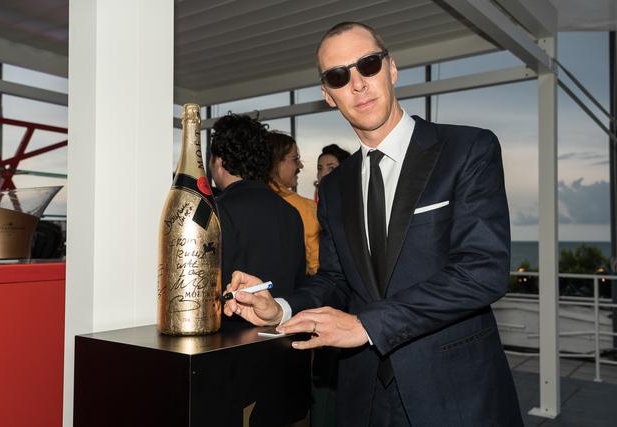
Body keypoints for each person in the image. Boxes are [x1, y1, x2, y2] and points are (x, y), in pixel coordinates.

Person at [225, 21, 523, 427]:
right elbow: (336, 279)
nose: (358, 83)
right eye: (338, 76)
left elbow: (483, 271)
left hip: (455, 391)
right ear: (328, 95)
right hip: (364, 394)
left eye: (368, 64)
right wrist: (279, 308)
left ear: (391, 68)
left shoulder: (467, 149)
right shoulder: (334, 188)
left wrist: (367, 325)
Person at [209, 113, 305, 298]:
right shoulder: (291, 213)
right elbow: (299, 285)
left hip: (231, 315)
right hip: (280, 314)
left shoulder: (216, 212)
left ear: (219, 161)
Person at [266, 131, 321, 275]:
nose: (300, 165)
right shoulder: (305, 208)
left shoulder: (249, 200)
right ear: (276, 162)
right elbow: (317, 266)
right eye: (295, 159)